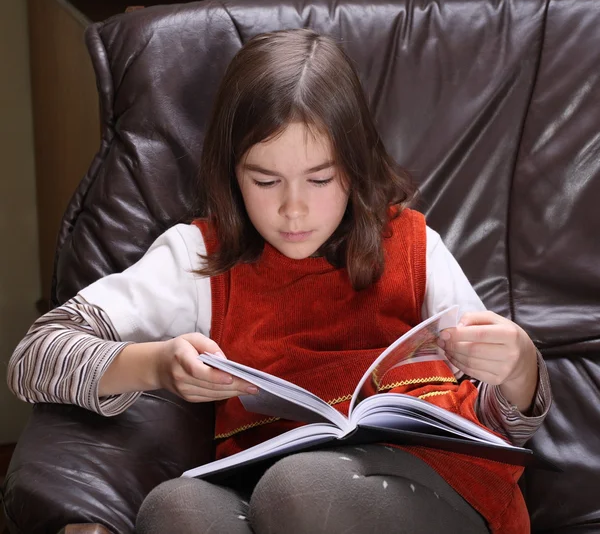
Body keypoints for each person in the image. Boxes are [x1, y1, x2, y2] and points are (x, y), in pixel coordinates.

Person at [8, 29, 551, 534]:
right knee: (175, 509)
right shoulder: (199, 258)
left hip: (436, 487)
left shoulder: (413, 247)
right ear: (232, 173)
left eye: (320, 178)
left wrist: (522, 368)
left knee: (301, 487)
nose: (295, 209)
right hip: (269, 494)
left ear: (355, 166)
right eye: (266, 180)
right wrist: (155, 366)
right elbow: (33, 359)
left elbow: (504, 428)